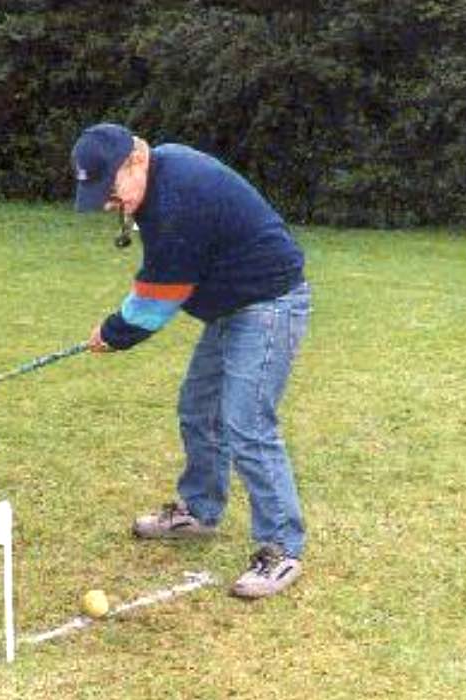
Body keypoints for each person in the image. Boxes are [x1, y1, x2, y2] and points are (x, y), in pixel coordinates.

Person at [72, 123, 311, 598]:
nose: (106, 203)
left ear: (135, 161)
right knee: (198, 408)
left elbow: (160, 296)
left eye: (110, 189)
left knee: (247, 424)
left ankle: (281, 548)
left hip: (269, 303)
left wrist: (114, 332)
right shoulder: (161, 178)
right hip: (232, 307)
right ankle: (199, 511)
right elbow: (164, 278)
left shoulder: (179, 198)